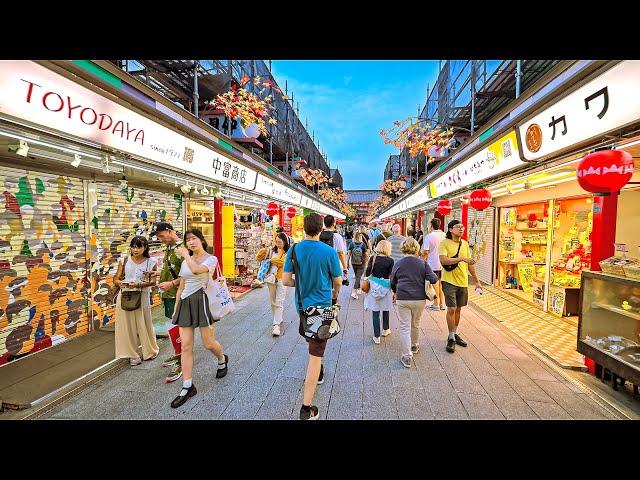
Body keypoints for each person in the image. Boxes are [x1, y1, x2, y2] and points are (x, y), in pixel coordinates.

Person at [282, 213, 342, 420]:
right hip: (322, 308)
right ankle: (306, 409)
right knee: (315, 356)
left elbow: (285, 281)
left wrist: (301, 283)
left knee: (313, 340)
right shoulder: (328, 251)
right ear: (320, 229)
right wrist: (334, 294)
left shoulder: (294, 249)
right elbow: (338, 280)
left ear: (305, 228)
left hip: (302, 306)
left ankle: (320, 369)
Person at [170, 229, 228, 408]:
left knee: (208, 343)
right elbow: (182, 286)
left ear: (201, 240)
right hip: (186, 303)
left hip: (202, 301)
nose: (190, 242)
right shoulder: (186, 261)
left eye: (193, 238)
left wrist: (186, 256)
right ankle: (187, 386)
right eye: (187, 240)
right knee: (186, 346)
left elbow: (195, 271)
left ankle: (222, 359)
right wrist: (176, 308)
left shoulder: (211, 259)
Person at [390, 237, 438, 368]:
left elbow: (392, 282)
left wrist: (395, 292)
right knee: (415, 323)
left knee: (405, 326)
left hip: (403, 298)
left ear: (403, 248)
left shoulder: (398, 263)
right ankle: (415, 345)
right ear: (417, 248)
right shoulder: (422, 263)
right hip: (419, 299)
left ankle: (407, 356)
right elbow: (433, 278)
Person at [113, 236, 160, 365]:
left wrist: (138, 285)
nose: (135, 250)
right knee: (126, 326)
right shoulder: (124, 260)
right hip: (125, 296)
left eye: (139, 247)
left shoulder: (152, 262)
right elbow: (116, 278)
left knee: (144, 324)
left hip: (142, 296)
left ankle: (150, 351)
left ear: (145, 247)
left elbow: (153, 282)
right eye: (133, 247)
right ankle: (132, 355)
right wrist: (120, 283)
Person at [439, 219, 483, 354]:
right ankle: (451, 337)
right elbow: (443, 260)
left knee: (458, 309)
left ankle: (454, 333)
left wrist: (477, 281)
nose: (461, 229)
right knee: (451, 308)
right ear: (451, 229)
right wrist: (461, 259)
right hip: (449, 281)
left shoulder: (464, 244)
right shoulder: (444, 243)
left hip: (462, 282)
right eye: (458, 227)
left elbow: (470, 264)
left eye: (462, 227)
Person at [155, 222, 185, 383]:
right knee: (172, 326)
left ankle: (181, 361)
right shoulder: (169, 247)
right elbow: (171, 268)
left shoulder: (184, 248)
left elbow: (190, 275)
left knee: (179, 327)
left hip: (179, 295)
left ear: (169, 231)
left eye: (161, 236)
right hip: (168, 294)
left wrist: (172, 284)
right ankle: (177, 353)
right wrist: (157, 273)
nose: (160, 240)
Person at [256, 232, 290, 337]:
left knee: (279, 301)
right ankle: (278, 318)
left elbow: (283, 263)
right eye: (276, 241)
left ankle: (276, 325)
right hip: (270, 278)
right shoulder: (271, 250)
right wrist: (265, 250)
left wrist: (271, 260)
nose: (278, 244)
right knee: (273, 302)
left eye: (280, 242)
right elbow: (258, 257)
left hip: (282, 279)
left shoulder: (288, 252)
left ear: (285, 242)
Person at [363, 239, 394, 344]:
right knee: (386, 308)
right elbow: (392, 276)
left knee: (375, 311)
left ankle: (376, 336)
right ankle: (386, 329)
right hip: (385, 286)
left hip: (374, 286)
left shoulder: (373, 258)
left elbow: (367, 273)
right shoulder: (391, 260)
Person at [421, 218, 447, 311]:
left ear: (431, 225)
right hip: (444, 264)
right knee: (441, 284)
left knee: (435, 283)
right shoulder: (445, 235)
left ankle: (436, 304)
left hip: (433, 264)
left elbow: (425, 252)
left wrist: (421, 261)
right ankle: (442, 304)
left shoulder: (429, 236)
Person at [319, 214, 349, 289]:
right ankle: (333, 298)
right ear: (334, 223)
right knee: (334, 285)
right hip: (333, 264)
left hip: (320, 263)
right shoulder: (337, 236)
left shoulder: (318, 235)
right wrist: (345, 267)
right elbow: (341, 253)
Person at [347, 232, 369, 299]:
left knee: (357, 276)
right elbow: (365, 255)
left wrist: (347, 262)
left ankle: (359, 289)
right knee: (358, 277)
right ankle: (354, 292)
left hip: (353, 262)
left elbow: (349, 254)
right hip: (362, 263)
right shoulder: (363, 245)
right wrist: (368, 260)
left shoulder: (351, 244)